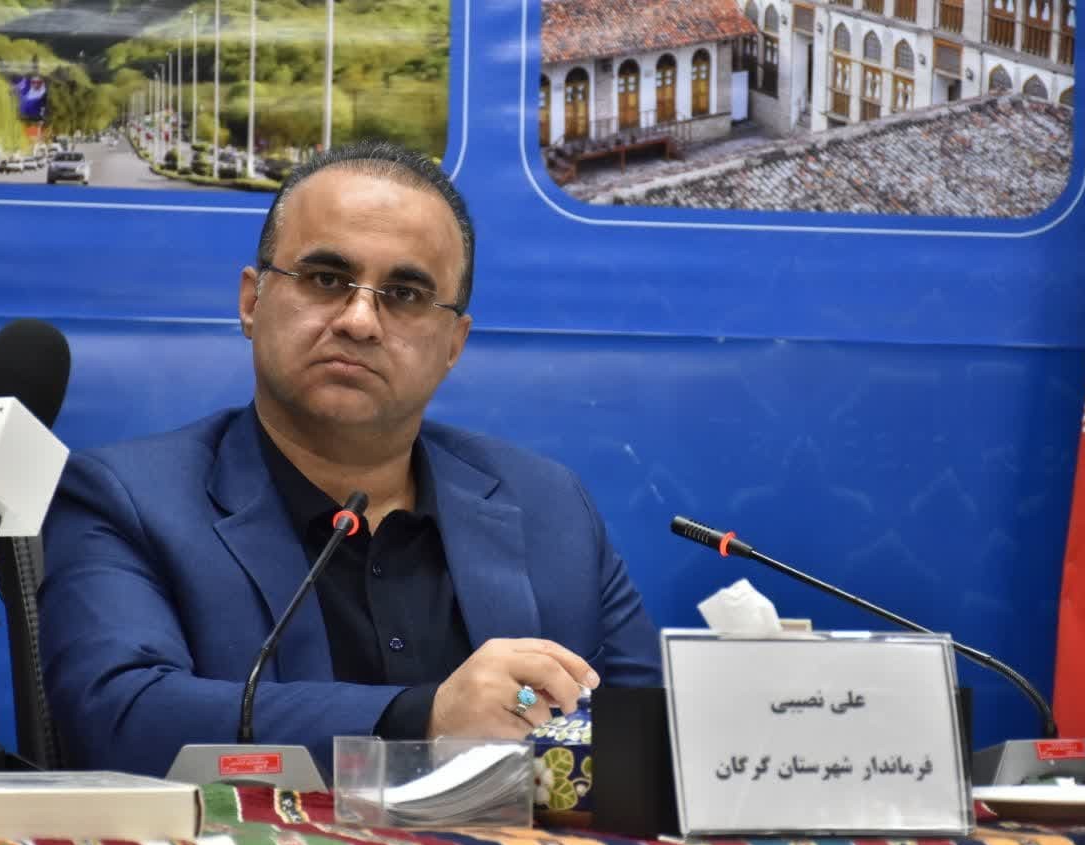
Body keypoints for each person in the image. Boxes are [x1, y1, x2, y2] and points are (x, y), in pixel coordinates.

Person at [39, 139, 662, 778]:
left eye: (405, 294)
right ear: (252, 302)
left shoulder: (547, 507)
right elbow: (120, 720)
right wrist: (420, 720)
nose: (360, 321)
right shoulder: (128, 500)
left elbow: (651, 744)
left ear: (454, 343)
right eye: (326, 280)